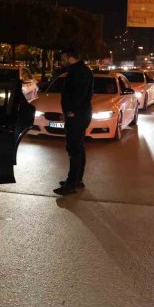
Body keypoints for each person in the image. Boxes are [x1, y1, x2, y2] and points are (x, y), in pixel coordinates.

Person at [54, 48, 94, 196]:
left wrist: (70, 112)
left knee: (74, 149)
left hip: (77, 116)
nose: (62, 61)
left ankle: (71, 185)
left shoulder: (78, 71)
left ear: (70, 57)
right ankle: (77, 180)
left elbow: (79, 95)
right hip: (80, 114)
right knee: (78, 148)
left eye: (63, 58)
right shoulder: (81, 70)